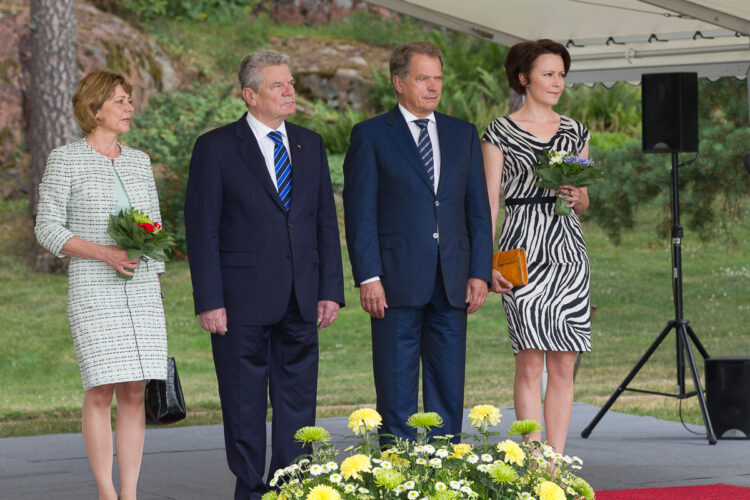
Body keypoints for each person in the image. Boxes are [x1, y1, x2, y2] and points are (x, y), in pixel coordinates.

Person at [183, 50, 345, 499]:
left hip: (301, 296)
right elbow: (202, 231)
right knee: (244, 402)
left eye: (291, 82)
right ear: (250, 95)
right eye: (278, 85)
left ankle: (291, 487)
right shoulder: (215, 148)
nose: (290, 91)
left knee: (298, 403)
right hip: (239, 301)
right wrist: (209, 299)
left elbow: (323, 225)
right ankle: (251, 490)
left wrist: (330, 288)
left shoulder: (309, 144)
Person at [343, 41, 493, 443]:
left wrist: (479, 272)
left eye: (438, 78)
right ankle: (400, 470)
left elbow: (477, 209)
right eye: (423, 78)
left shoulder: (462, 134)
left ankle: (446, 474)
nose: (433, 87)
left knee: (449, 391)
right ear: (398, 83)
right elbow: (360, 216)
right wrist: (368, 277)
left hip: (453, 281)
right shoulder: (371, 136)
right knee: (396, 393)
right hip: (393, 283)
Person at [34, 70, 167, 500]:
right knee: (100, 389)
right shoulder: (65, 159)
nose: (130, 108)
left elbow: (154, 226)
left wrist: (156, 274)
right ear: (94, 110)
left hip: (143, 290)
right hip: (94, 288)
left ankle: (130, 493)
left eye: (129, 100)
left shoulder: (139, 160)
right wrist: (104, 252)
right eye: (120, 101)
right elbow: (48, 229)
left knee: (134, 390)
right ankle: (106, 493)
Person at [482, 39, 592, 453]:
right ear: (523, 78)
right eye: (548, 74)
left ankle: (557, 465)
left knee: (564, 363)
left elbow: (584, 197)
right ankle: (531, 463)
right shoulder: (498, 131)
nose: (557, 82)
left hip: (567, 251)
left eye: (561, 74)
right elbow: (490, 203)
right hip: (521, 250)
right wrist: (483, 263)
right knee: (530, 361)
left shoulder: (576, 130)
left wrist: (579, 197)